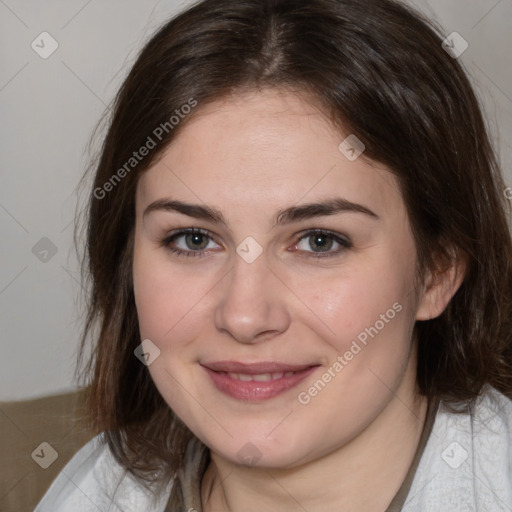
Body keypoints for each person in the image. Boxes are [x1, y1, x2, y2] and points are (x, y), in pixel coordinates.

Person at [34, 0, 512, 510]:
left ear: (437, 271)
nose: (244, 316)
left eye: (319, 241)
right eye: (193, 239)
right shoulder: (90, 491)